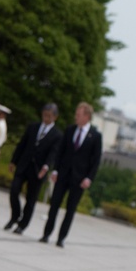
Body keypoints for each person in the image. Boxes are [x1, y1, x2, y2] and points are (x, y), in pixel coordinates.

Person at [41, 102, 102, 247]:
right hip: (63, 174)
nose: (76, 117)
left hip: (79, 178)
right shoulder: (70, 130)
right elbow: (60, 152)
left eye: (79, 115)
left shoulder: (95, 136)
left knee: (70, 209)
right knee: (54, 204)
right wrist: (55, 170)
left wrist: (89, 178)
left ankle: (61, 238)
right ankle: (46, 233)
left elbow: (96, 160)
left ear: (87, 116)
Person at [6, 103, 62, 233]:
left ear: (55, 117)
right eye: (44, 115)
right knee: (14, 189)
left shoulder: (57, 135)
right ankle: (15, 216)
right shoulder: (33, 127)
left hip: (38, 170)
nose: (46, 118)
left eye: (49, 116)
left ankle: (23, 224)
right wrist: (14, 161)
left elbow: (53, 153)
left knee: (30, 199)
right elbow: (22, 144)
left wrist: (46, 166)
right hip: (23, 165)